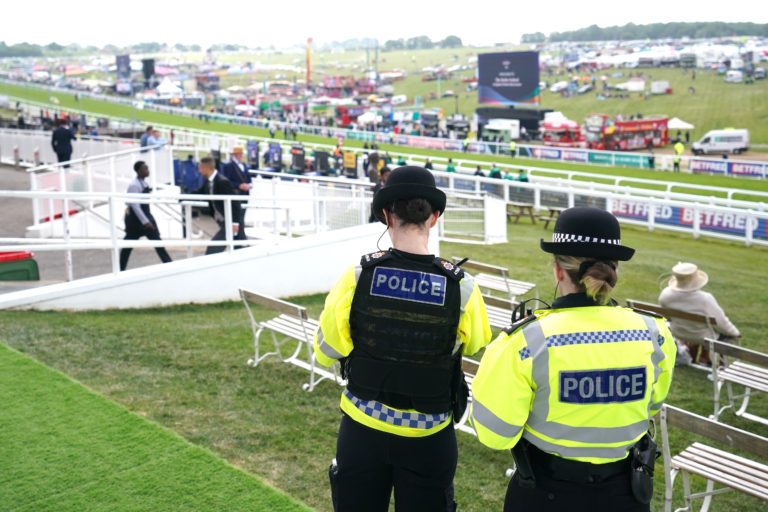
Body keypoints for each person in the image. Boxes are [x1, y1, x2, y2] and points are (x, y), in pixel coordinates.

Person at [471, 206, 676, 512]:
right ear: (614, 272)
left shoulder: (525, 341)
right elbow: (653, 403)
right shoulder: (654, 332)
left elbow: (495, 435)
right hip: (626, 495)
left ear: (557, 269)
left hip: (544, 494)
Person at [314, 166, 492, 512]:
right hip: (430, 437)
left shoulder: (357, 277)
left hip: (362, 432)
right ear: (435, 217)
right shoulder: (462, 287)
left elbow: (327, 350)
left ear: (386, 215)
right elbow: (475, 343)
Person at [658, 262, 741, 365]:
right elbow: (721, 322)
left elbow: (667, 317)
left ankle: (700, 358)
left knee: (701, 326)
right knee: (721, 333)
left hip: (679, 332)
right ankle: (722, 365)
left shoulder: (665, 294)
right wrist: (735, 333)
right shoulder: (705, 299)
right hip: (701, 336)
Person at [119, 161, 172, 271]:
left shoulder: (143, 183)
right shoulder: (134, 185)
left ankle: (169, 264)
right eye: (145, 169)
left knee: (157, 241)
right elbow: (135, 206)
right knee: (127, 246)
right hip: (136, 221)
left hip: (144, 216)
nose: (148, 171)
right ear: (139, 171)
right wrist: (146, 221)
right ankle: (120, 268)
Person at [195, 156, 243, 255]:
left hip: (230, 224)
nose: (199, 171)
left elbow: (235, 203)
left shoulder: (222, 182)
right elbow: (199, 192)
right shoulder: (208, 182)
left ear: (206, 168)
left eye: (200, 168)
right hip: (224, 223)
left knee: (212, 250)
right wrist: (181, 196)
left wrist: (235, 223)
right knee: (239, 249)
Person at [220, 146, 251, 242]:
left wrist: (249, 185)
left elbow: (249, 179)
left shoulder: (244, 165)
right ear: (236, 155)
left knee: (241, 217)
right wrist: (239, 185)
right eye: (241, 154)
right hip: (236, 195)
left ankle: (240, 238)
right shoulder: (229, 166)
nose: (242, 156)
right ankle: (240, 238)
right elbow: (227, 181)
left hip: (244, 195)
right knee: (238, 218)